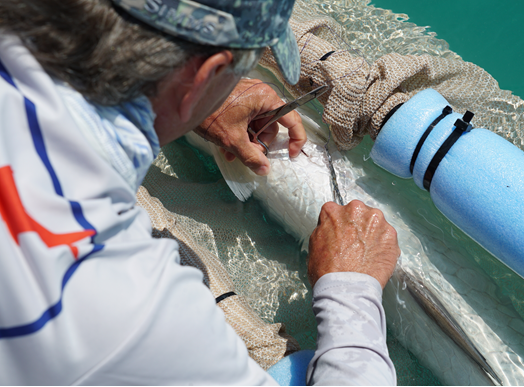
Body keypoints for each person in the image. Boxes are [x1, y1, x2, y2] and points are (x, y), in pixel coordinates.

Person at [0, 0, 400, 384]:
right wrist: (349, 288)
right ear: (204, 75)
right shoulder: (129, 308)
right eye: (237, 72)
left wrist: (181, 104)